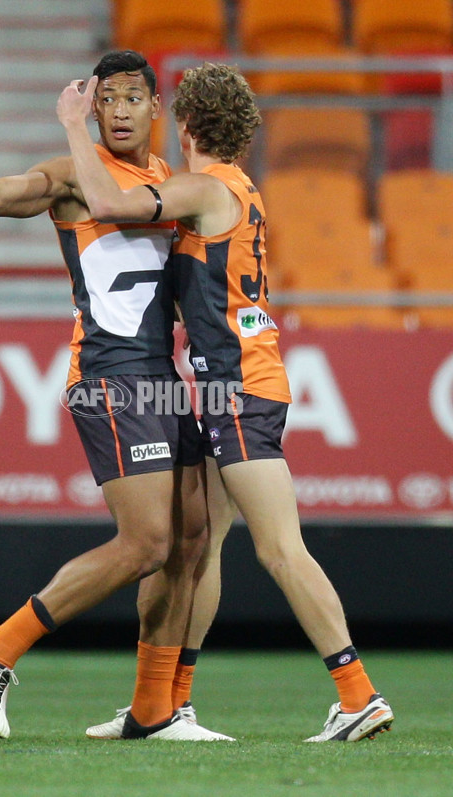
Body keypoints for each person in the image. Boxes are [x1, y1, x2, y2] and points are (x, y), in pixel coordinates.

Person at [56, 62, 395, 743]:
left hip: (239, 389)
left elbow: (115, 205)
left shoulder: (207, 189)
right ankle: (166, 705)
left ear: (183, 124)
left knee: (280, 547)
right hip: (229, 385)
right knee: (198, 548)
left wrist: (72, 126)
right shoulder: (239, 186)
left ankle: (357, 692)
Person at [0, 50, 233, 742]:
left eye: (131, 99)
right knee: (145, 542)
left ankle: (153, 710)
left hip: (162, 378)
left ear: (155, 109)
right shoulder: (70, 175)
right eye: (105, 99)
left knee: (194, 539)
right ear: (91, 107)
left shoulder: (171, 181)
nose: (117, 111)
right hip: (111, 376)